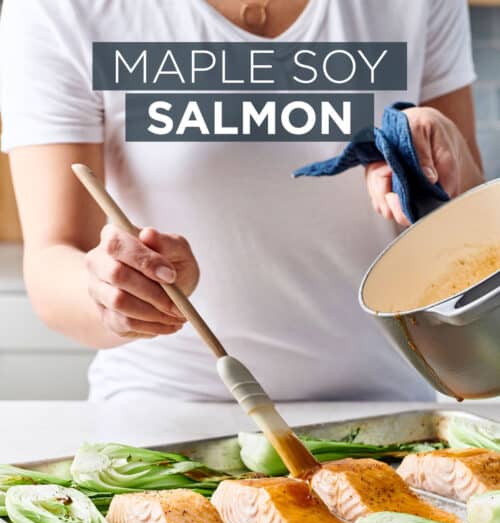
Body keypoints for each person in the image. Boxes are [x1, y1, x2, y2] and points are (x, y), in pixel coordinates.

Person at [0, 0, 484, 402]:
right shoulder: (59, 8)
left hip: (391, 412)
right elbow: (53, 257)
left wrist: (440, 163)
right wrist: (109, 294)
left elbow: (471, 236)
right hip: (167, 415)